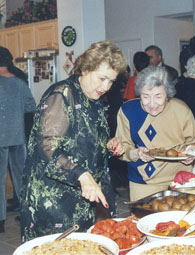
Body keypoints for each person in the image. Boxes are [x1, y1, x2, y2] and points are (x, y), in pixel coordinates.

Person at [20, 40, 127, 242]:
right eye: (102, 78)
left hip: (81, 197)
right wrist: (82, 175)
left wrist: (108, 144)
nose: (106, 86)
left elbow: (83, 139)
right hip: (53, 202)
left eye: (111, 81)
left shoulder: (93, 99)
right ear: (85, 68)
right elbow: (47, 145)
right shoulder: (62, 94)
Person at [116, 66, 195, 201]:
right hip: (142, 182)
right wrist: (136, 153)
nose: (152, 104)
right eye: (145, 97)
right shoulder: (128, 111)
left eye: (158, 97)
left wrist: (192, 151)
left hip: (179, 180)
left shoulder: (181, 110)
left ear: (167, 94)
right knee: (143, 220)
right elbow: (122, 147)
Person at [0, 47, 36, 233]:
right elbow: (31, 106)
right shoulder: (20, 83)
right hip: (17, 136)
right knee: (22, 178)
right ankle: (27, 215)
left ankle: (1, 222)